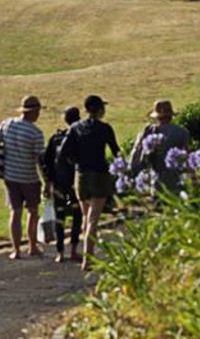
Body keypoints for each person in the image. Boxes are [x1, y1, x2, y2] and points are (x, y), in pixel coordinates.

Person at [57, 94, 120, 270]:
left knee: (86, 216)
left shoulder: (75, 128)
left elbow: (63, 153)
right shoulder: (105, 128)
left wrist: (76, 162)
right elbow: (116, 151)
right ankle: (88, 258)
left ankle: (86, 253)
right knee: (93, 218)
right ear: (100, 109)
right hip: (99, 174)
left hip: (81, 175)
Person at [0, 95, 47, 259]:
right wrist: (47, 181)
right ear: (34, 112)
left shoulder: (7, 124)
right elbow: (40, 160)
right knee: (33, 212)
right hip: (29, 177)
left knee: (15, 212)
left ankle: (16, 250)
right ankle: (32, 246)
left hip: (11, 175)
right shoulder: (36, 133)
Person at [42, 105, 83, 262]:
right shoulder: (79, 136)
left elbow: (46, 162)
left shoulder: (55, 138)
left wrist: (48, 182)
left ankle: (60, 252)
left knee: (59, 216)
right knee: (77, 215)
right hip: (75, 183)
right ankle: (73, 249)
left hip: (58, 183)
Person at [128, 99, 191, 193]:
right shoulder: (182, 132)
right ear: (171, 116)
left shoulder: (148, 132)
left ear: (156, 117)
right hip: (176, 179)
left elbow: (138, 157)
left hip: (156, 179)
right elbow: (186, 157)